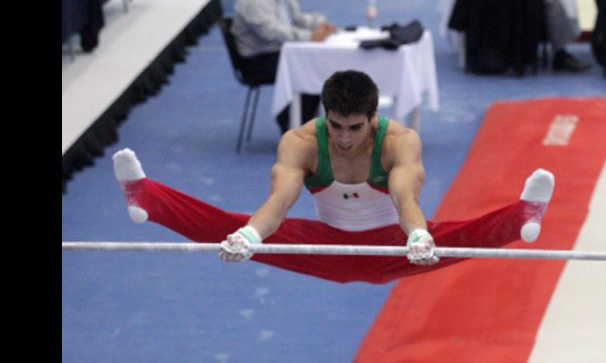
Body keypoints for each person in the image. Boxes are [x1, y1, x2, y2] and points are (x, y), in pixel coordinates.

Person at [113, 70, 556, 284]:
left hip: (394, 245)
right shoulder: (302, 141)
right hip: (324, 243)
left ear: (373, 118)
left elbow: (405, 198)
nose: (343, 138)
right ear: (325, 115)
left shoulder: (399, 141)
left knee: (458, 236)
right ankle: (146, 197)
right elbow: (281, 200)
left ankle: (523, 216)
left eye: (355, 127)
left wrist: (418, 236)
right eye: (336, 125)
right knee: (229, 227)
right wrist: (250, 235)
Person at [231, 0, 338, 133]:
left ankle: (299, 120)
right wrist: (309, 36)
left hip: (277, 52)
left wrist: (320, 23)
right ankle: (289, 122)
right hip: (257, 61)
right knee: (309, 70)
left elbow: (298, 18)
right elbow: (271, 33)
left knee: (317, 66)